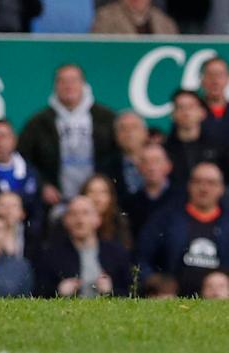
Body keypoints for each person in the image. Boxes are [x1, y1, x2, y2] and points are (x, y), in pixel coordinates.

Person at [18, 64, 118, 207]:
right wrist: (43, 185)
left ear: (83, 84)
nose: (68, 86)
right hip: (57, 202)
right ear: (55, 86)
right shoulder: (38, 123)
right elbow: (24, 158)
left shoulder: (106, 118)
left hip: (98, 203)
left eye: (73, 80)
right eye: (62, 81)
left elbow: (116, 156)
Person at [137, 162, 229, 296]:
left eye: (211, 183)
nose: (204, 188)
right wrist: (154, 280)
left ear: (221, 188)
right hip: (172, 299)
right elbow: (141, 257)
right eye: (198, 182)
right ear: (189, 186)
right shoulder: (165, 219)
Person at [34, 196, 130, 298]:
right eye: (74, 214)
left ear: (97, 219)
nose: (79, 220)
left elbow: (134, 292)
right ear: (65, 221)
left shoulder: (116, 253)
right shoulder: (51, 256)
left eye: (85, 213)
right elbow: (38, 294)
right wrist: (58, 292)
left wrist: (111, 291)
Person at [165, 89, 225, 187]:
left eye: (190, 107)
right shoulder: (165, 151)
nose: (186, 112)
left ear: (202, 113)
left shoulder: (219, 146)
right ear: (173, 114)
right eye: (180, 107)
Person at [120, 144, 177, 241]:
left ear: (168, 166)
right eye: (146, 162)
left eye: (156, 161)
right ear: (139, 168)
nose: (151, 167)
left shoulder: (180, 199)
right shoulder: (130, 203)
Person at [80, 173, 133, 251]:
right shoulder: (73, 222)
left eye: (102, 192)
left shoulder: (119, 224)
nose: (97, 198)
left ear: (111, 197)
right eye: (91, 192)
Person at [109, 111, 149, 198]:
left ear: (145, 133)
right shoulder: (107, 168)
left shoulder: (162, 161)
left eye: (134, 127)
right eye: (123, 128)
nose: (129, 133)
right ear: (116, 135)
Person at [200, 56, 229, 144]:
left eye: (220, 75)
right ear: (202, 79)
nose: (215, 80)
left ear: (227, 79)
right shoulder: (193, 113)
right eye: (210, 75)